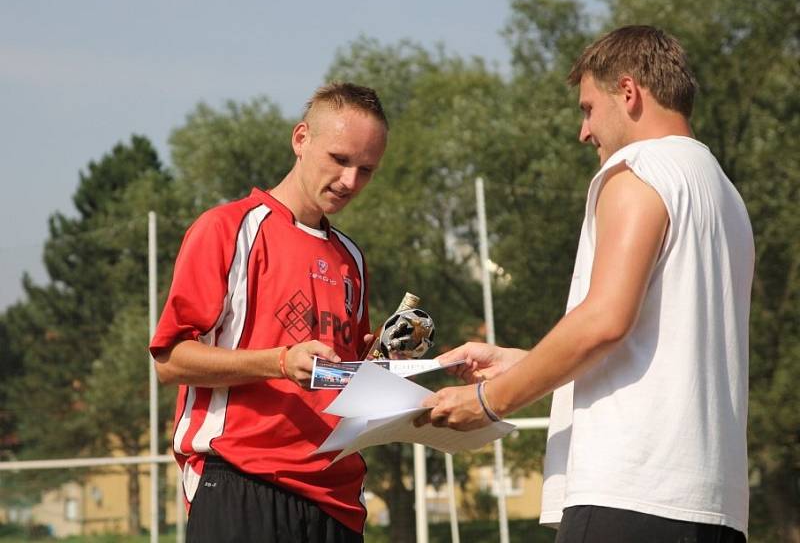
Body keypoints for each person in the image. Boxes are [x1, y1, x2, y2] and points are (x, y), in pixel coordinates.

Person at [421, 26, 753, 542]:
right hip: (712, 505)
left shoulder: (638, 170)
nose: (584, 132)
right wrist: (525, 361)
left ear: (628, 92)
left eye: (587, 108)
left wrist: (489, 399)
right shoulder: (723, 194)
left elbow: (604, 321)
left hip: (629, 495)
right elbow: (658, 342)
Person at [150, 82, 388, 543]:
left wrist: (387, 370)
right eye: (339, 160)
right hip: (242, 482)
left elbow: (339, 378)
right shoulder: (228, 228)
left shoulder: (351, 259)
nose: (350, 182)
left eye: (366, 170)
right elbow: (170, 360)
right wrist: (278, 362)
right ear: (301, 139)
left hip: (337, 498)